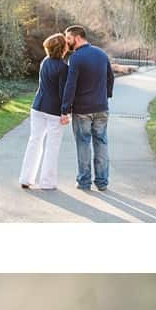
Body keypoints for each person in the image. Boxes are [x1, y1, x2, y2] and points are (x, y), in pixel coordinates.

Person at [61, 24, 115, 192]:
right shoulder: (101, 53)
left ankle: (84, 181)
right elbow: (110, 78)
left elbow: (70, 85)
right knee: (101, 143)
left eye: (68, 38)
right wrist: (105, 96)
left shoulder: (76, 58)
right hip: (101, 107)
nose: (66, 41)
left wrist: (65, 109)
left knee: (83, 144)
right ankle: (102, 182)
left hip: (82, 110)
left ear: (77, 38)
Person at [18, 33, 72, 192]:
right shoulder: (64, 68)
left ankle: (26, 179)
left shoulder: (44, 62)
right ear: (63, 49)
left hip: (37, 107)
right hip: (54, 111)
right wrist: (65, 112)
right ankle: (47, 183)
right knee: (52, 146)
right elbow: (63, 92)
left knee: (34, 142)